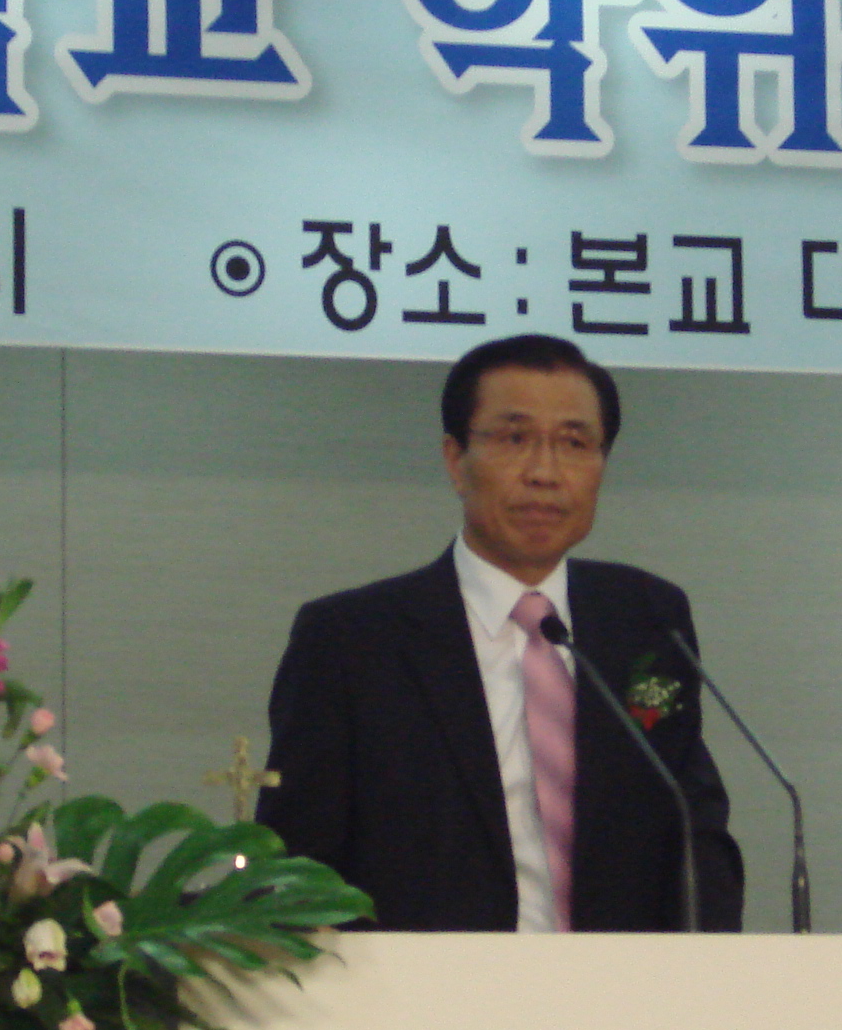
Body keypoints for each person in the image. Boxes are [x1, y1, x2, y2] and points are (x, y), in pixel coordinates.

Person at [259, 333, 745, 933]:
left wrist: (707, 963)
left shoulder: (645, 619)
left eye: (574, 444)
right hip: (423, 984)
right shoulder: (351, 640)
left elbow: (694, 824)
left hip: (622, 981)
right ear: (455, 460)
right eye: (514, 439)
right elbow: (299, 861)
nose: (545, 473)